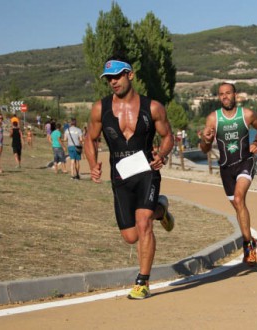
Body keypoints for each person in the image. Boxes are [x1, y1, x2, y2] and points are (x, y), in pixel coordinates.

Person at [84, 56, 175, 300]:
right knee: (130, 236)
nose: (113, 82)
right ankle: (160, 210)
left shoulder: (153, 107)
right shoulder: (99, 108)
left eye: (117, 76)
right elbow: (89, 139)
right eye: (109, 79)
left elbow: (168, 137)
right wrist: (93, 165)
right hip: (120, 176)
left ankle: (142, 281)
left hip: (147, 171)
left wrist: (162, 155)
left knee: (143, 223)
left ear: (130, 75)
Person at [199, 82, 257, 266]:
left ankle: (247, 246)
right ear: (219, 97)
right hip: (226, 168)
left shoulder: (246, 115)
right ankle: (249, 239)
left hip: (245, 162)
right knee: (238, 206)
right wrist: (205, 139)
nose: (225, 97)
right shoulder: (213, 119)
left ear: (235, 95)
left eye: (228, 93)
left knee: (239, 199)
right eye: (221, 94)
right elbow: (205, 148)